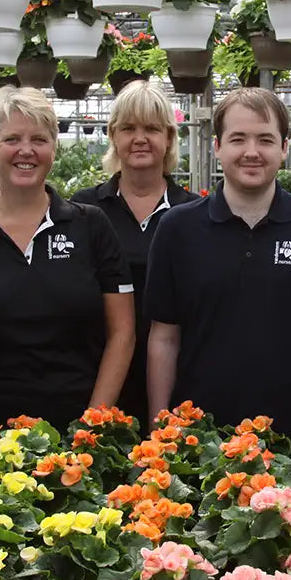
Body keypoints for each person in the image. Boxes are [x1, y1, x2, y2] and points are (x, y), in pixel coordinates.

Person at [145, 87, 291, 455]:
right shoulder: (177, 228)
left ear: (284, 147)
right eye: (238, 139)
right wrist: (161, 434)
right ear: (217, 147)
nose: (251, 152)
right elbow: (164, 337)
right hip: (202, 443)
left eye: (265, 139)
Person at [0, 86, 135, 430]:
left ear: (54, 147)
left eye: (39, 139)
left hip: (80, 434)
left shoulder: (91, 226)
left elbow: (122, 332)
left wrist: (92, 424)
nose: (26, 151)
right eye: (12, 139)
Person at [70, 81, 198, 420]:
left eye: (152, 129)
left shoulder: (195, 214)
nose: (139, 138)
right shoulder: (83, 210)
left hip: (179, 377)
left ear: (169, 137)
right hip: (100, 375)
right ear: (113, 135)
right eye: (128, 128)